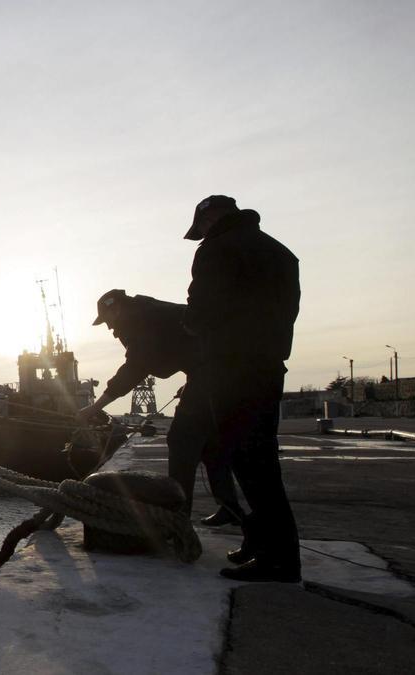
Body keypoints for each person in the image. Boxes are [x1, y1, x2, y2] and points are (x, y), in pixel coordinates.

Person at [183, 195, 301, 583]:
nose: (198, 234)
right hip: (267, 365)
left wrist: (203, 333)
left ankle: (279, 560)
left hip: (231, 367)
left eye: (198, 226)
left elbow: (199, 310)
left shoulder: (216, 249)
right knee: (259, 460)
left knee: (247, 462)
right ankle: (261, 542)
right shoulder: (280, 252)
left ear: (209, 218)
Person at [76, 289, 242, 520]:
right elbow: (188, 346)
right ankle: (229, 508)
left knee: (181, 441)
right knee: (210, 441)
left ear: (115, 308)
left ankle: (177, 516)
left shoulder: (138, 319)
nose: (111, 330)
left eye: (108, 321)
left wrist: (94, 408)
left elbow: (135, 368)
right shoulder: (149, 311)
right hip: (219, 367)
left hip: (214, 369)